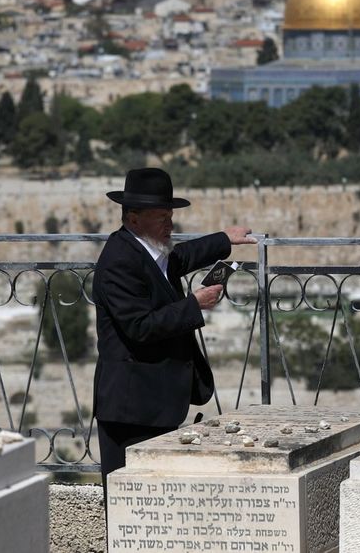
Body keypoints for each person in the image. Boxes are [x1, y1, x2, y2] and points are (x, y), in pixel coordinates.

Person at [92, 167, 254, 502]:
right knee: (131, 504)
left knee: (157, 501)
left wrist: (224, 240)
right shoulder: (119, 261)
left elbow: (178, 260)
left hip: (155, 402)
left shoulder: (147, 248)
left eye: (170, 216)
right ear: (134, 219)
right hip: (131, 408)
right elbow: (140, 327)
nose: (170, 225)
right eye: (162, 217)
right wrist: (194, 305)